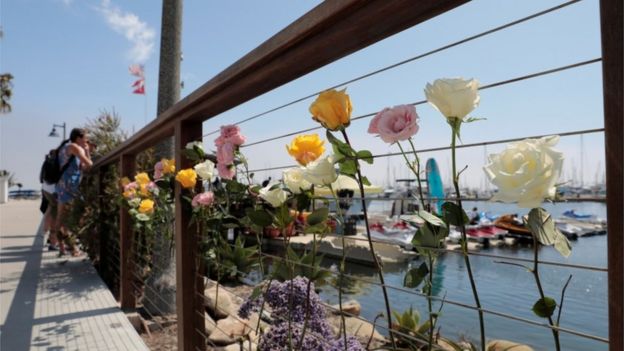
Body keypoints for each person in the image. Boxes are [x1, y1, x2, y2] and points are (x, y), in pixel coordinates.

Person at [55, 128, 93, 257]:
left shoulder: (67, 147)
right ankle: (73, 247)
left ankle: (63, 247)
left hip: (63, 185)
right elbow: (88, 164)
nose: (87, 140)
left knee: (62, 216)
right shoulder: (74, 147)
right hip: (69, 186)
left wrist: (86, 150)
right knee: (76, 214)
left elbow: (82, 167)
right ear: (78, 138)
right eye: (85, 138)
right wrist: (87, 151)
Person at [40, 149, 59, 250]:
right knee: (55, 214)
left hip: (46, 188)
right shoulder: (58, 161)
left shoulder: (47, 161)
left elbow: (41, 177)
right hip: (55, 190)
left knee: (50, 210)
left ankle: (44, 232)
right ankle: (53, 241)